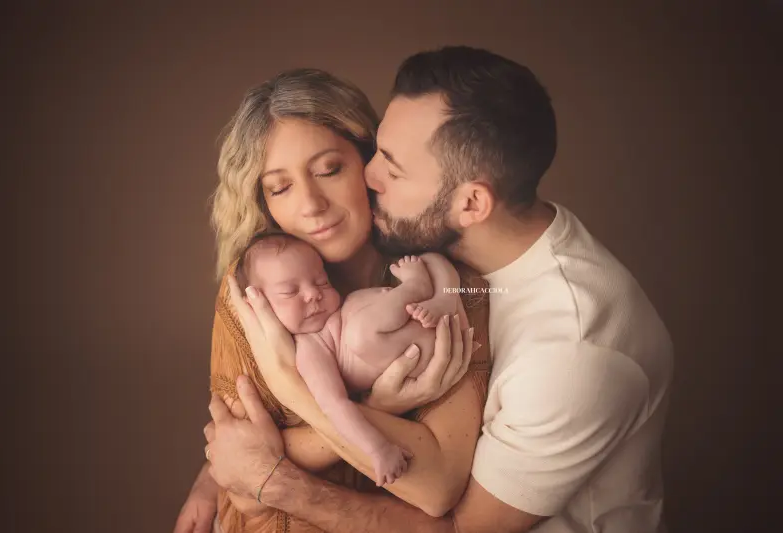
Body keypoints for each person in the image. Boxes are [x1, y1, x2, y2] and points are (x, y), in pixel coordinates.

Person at [204, 46, 675, 533]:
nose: (369, 176)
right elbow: (234, 434)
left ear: (471, 203)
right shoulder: (445, 260)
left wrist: (275, 464)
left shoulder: (572, 349)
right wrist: (220, 467)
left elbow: (462, 526)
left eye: (389, 166)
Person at [173, 67, 490, 533]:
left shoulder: (451, 287)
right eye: (279, 187)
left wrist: (290, 395)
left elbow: (437, 486)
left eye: (328, 170)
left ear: (372, 166)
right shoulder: (252, 293)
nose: (311, 204)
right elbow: (234, 466)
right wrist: (382, 408)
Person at [234, 232, 466, 486]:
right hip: (420, 352)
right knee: (359, 336)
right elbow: (335, 406)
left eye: (322, 282)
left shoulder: (342, 308)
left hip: (431, 316)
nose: (313, 294)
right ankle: (415, 287)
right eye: (290, 292)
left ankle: (444, 297)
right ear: (259, 303)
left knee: (431, 259)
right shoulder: (310, 348)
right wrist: (378, 449)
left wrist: (442, 298)